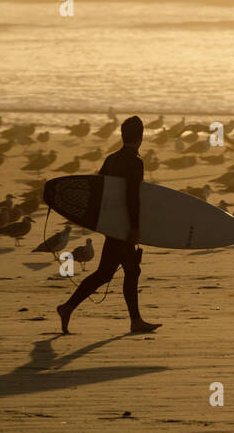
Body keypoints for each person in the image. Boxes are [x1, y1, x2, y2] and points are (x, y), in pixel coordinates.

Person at [57, 115, 160, 334]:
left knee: (106, 273)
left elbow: (99, 191)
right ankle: (135, 320)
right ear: (141, 138)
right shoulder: (135, 162)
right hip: (122, 226)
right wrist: (133, 227)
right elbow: (132, 196)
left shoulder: (111, 159)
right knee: (131, 271)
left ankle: (67, 307)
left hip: (111, 224)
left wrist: (103, 222)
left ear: (123, 136)